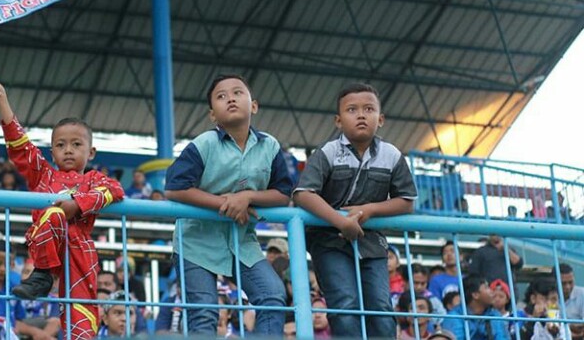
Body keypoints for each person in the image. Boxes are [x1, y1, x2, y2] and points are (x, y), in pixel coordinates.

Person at [0, 75, 125, 339]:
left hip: (79, 252)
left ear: (91, 152)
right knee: (54, 213)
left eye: (76, 144)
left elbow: (115, 190)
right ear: (52, 153)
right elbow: (20, 146)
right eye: (60, 145)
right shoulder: (43, 175)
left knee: (82, 323)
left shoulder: (93, 178)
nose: (68, 150)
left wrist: (76, 205)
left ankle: (44, 276)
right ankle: (44, 274)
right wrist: (2, 99)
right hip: (43, 249)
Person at [164, 74, 292, 336]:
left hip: (241, 241)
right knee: (204, 313)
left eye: (237, 93)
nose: (230, 98)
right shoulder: (204, 144)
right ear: (213, 115)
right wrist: (225, 203)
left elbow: (283, 192)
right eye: (221, 96)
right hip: (195, 243)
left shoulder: (270, 145)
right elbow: (174, 187)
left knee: (273, 296)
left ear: (253, 105)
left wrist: (247, 198)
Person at [293, 83, 417, 338]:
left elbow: (406, 201)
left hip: (371, 243)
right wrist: (341, 222)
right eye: (352, 110)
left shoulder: (391, 155)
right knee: (345, 306)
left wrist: (370, 209)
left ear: (380, 119)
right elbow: (303, 194)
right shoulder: (327, 152)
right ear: (338, 121)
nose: (361, 115)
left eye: (369, 109)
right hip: (328, 241)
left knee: (382, 310)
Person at [441, 274, 508, 340]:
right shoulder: (455, 317)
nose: (492, 291)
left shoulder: (494, 315)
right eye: (486, 287)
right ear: (475, 295)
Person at [556, 263, 584, 339]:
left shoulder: (582, 294)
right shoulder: (550, 297)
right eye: (563, 283)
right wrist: (571, 327)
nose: (568, 287)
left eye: (570, 282)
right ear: (555, 281)